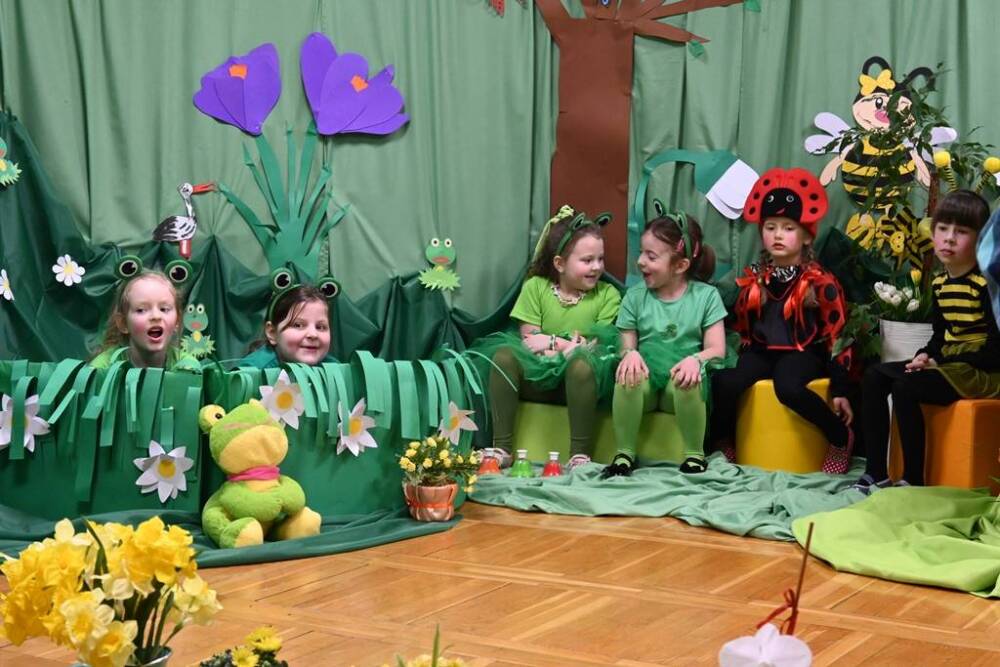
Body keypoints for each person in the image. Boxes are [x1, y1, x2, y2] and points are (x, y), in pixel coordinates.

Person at [709, 167, 854, 474]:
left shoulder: (820, 281)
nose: (777, 235)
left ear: (805, 236)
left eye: (788, 228)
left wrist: (841, 389)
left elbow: (838, 334)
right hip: (763, 352)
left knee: (788, 387)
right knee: (725, 382)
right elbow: (742, 327)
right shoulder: (755, 278)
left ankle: (840, 437)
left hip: (804, 353)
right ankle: (724, 439)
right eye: (770, 227)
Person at [854, 189, 1000, 492]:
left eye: (961, 232)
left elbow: (994, 351)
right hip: (951, 364)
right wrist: (924, 354)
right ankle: (875, 472)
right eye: (943, 229)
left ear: (980, 240)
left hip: (982, 371)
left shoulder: (985, 285)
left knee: (905, 386)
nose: (949, 239)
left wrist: (939, 361)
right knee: (874, 376)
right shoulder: (940, 283)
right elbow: (940, 335)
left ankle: (913, 478)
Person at [477, 206, 621, 468]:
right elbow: (531, 341)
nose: (597, 267)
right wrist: (567, 345)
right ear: (560, 264)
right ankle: (502, 448)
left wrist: (554, 342)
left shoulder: (607, 295)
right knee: (504, 356)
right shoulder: (536, 287)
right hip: (538, 376)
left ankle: (579, 453)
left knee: (581, 365)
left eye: (600, 259)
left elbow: (592, 348)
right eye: (587, 260)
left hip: (581, 385)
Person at [604, 211, 726, 477]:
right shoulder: (635, 297)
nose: (640, 261)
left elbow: (717, 349)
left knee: (688, 379)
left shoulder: (706, 296)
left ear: (680, 266)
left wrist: (696, 359)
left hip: (679, 381)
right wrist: (630, 354)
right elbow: (625, 344)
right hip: (647, 378)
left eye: (651, 256)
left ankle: (694, 454)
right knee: (627, 376)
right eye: (641, 253)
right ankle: (624, 453)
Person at [90, 270, 200, 370]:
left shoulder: (188, 368)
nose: (156, 316)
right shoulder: (101, 370)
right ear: (123, 323)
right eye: (141, 310)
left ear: (177, 321)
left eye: (164, 309)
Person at [239, 285, 336, 367]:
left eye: (320, 327)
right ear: (272, 333)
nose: (313, 334)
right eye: (298, 325)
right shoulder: (252, 373)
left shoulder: (335, 369)